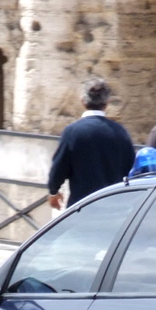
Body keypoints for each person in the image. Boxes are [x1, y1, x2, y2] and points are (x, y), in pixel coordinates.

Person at [47, 77, 136, 211]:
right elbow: (131, 168)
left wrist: (54, 191)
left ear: (82, 101)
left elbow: (59, 168)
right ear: (107, 102)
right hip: (115, 207)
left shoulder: (72, 132)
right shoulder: (120, 132)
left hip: (83, 207)